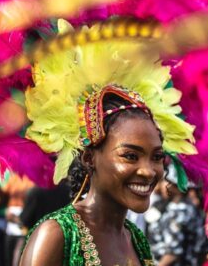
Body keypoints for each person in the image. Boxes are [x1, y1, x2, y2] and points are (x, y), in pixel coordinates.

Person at [18, 25, 197, 265]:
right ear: (89, 158)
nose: (148, 171)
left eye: (156, 157)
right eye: (130, 156)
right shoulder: (57, 235)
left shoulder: (134, 237)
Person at [147, 169, 208, 266]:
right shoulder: (191, 208)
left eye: (167, 181)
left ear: (175, 187)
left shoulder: (179, 211)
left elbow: (173, 253)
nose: (163, 185)